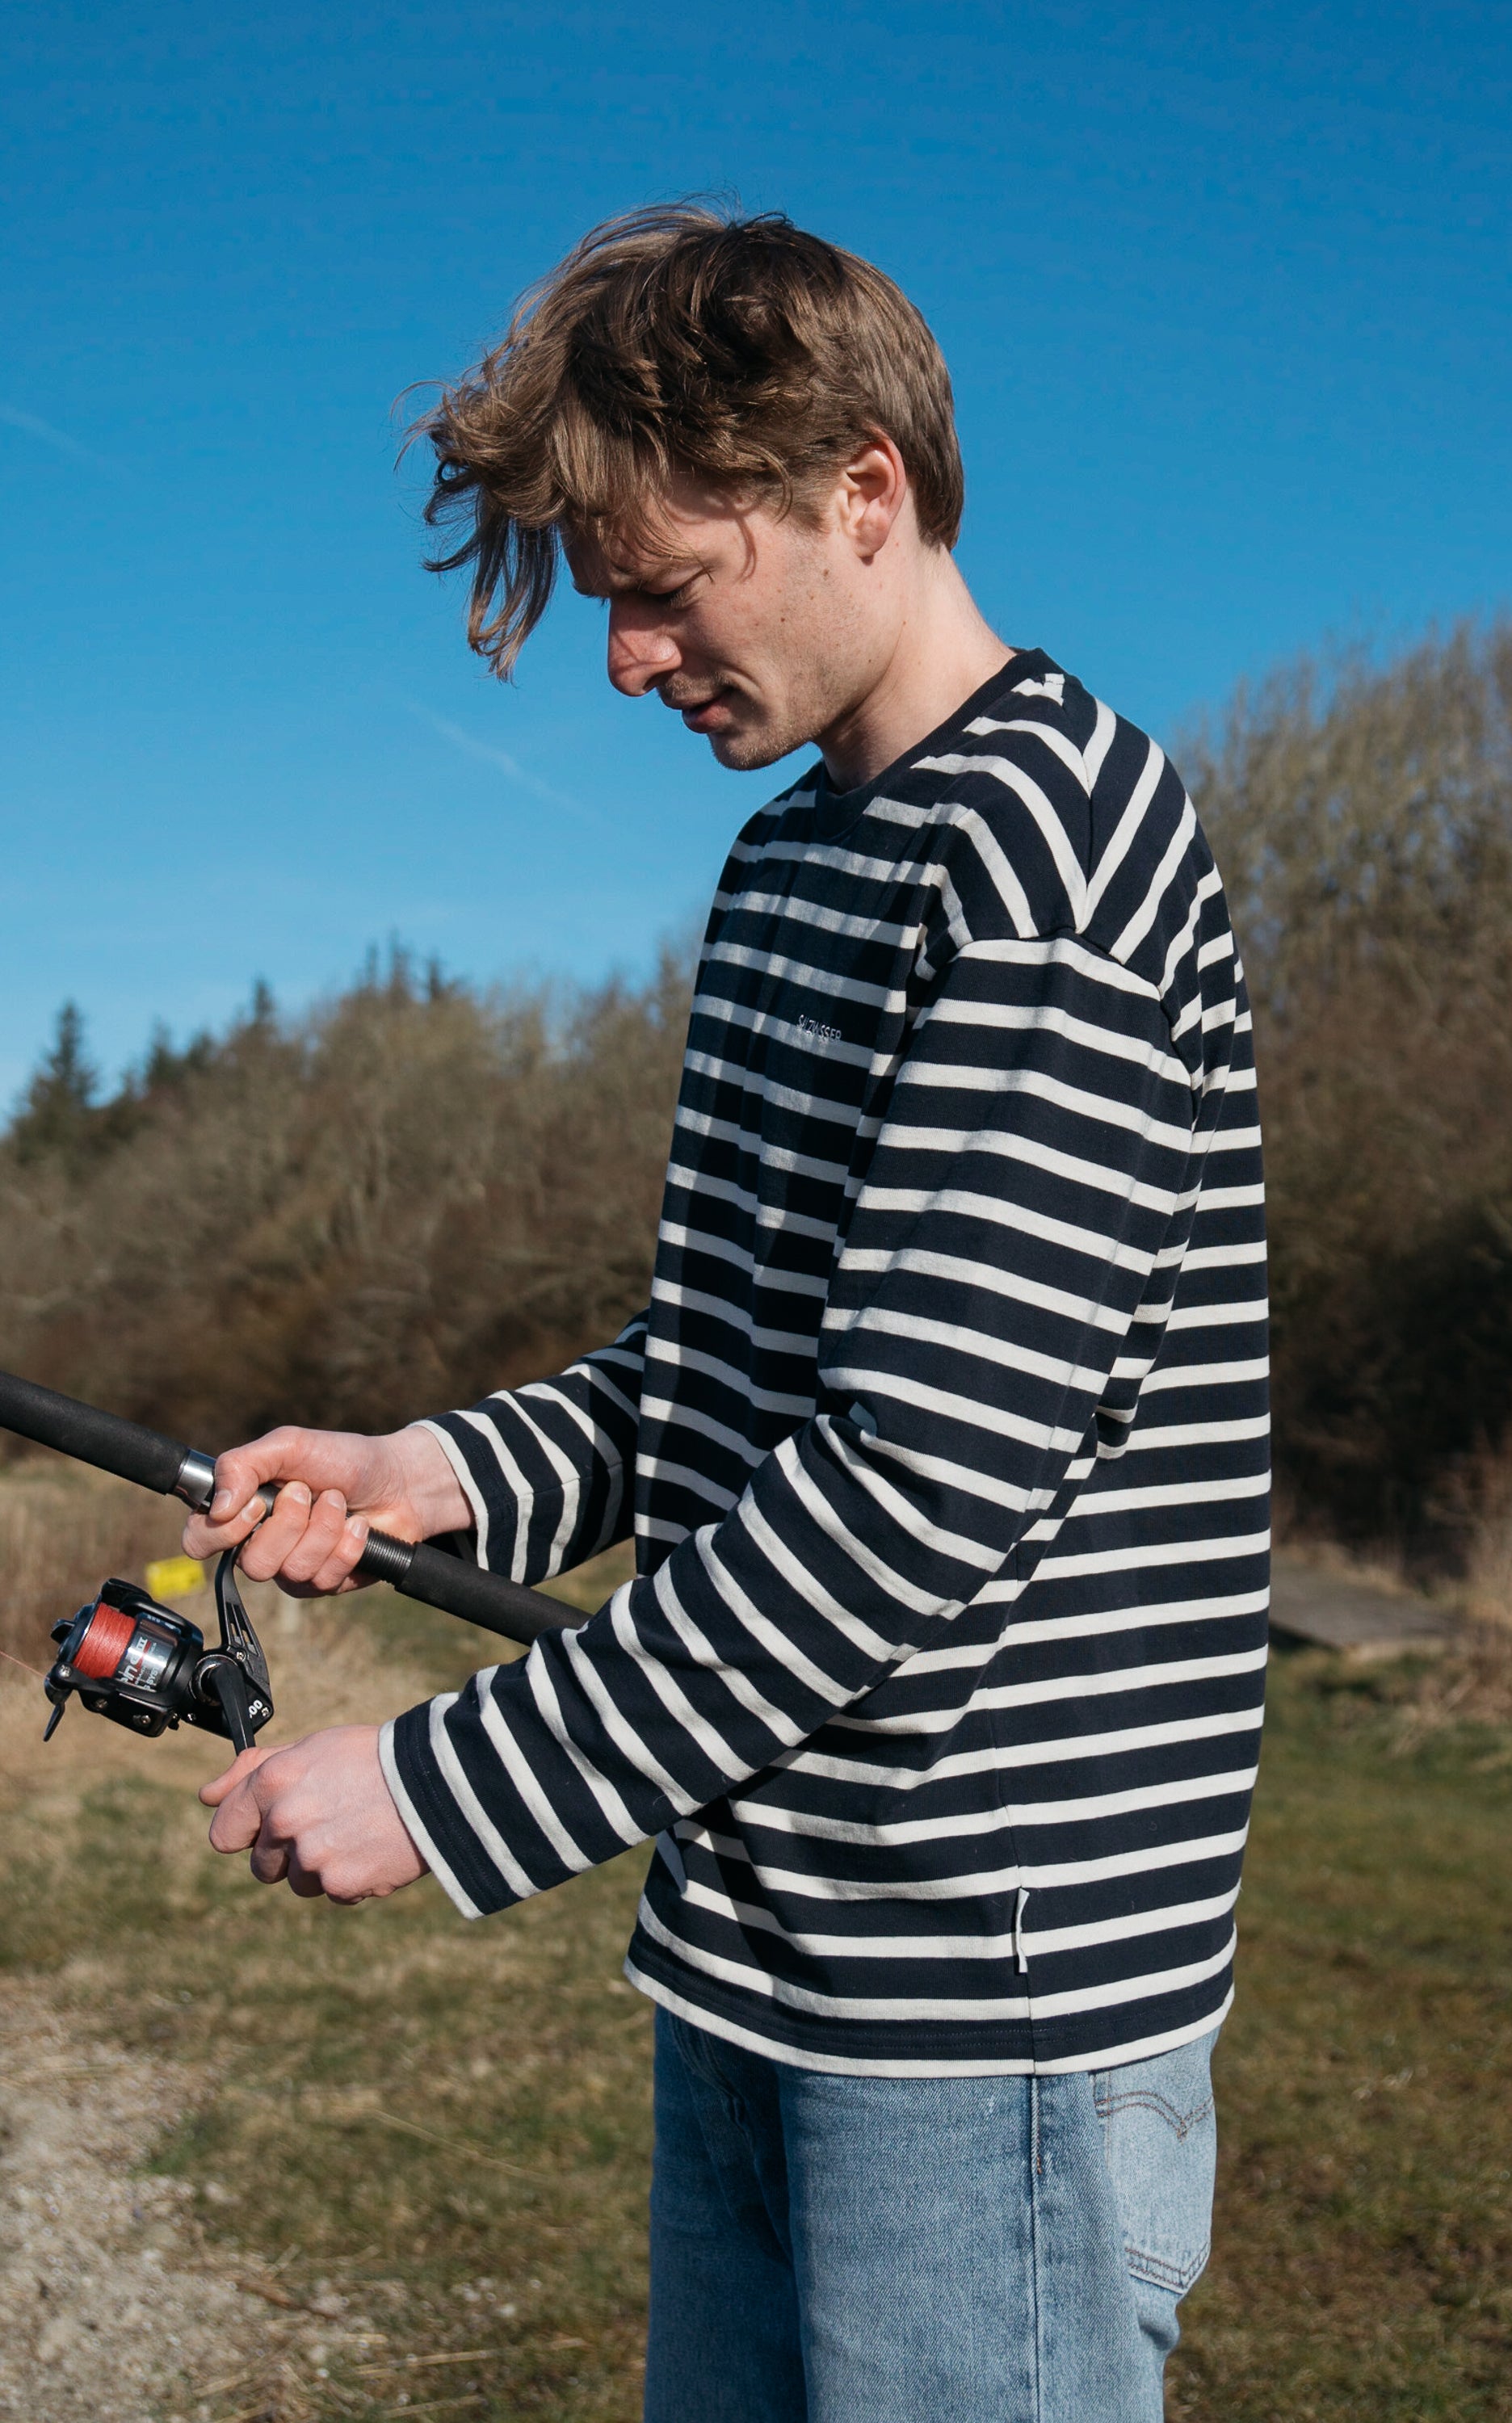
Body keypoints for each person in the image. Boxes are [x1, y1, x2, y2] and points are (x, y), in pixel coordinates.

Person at [185, 205, 1268, 2423]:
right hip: (767, 1955)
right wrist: (446, 1465)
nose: (623, 659)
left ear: (862, 490)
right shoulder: (797, 868)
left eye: (664, 588)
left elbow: (903, 1486)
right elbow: (740, 1374)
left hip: (992, 2012)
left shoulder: (1047, 864)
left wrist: (451, 1782)